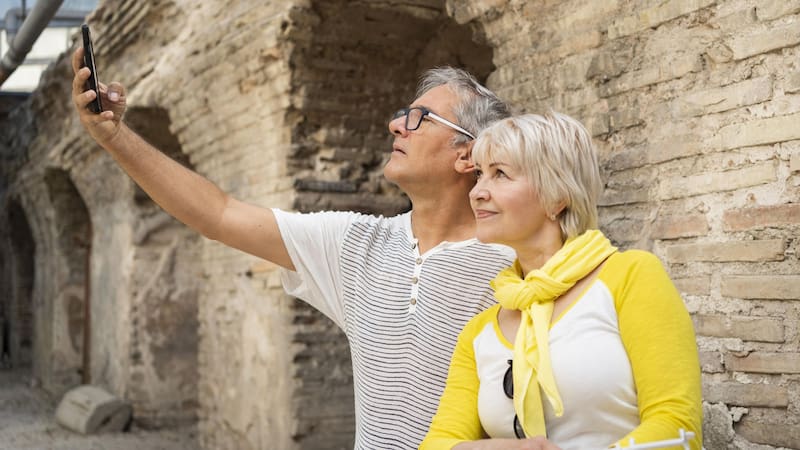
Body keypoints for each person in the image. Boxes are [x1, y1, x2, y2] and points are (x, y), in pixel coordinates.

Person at [71, 46, 516, 449]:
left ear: (466, 155)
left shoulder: (516, 263)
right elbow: (218, 214)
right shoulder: (355, 244)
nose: (395, 124)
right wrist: (114, 136)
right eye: (404, 113)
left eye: (420, 118)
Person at [420, 113, 703, 450]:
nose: (477, 192)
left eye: (500, 174)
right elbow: (438, 443)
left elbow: (677, 425)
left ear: (557, 196)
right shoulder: (480, 331)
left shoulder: (631, 277)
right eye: (480, 175)